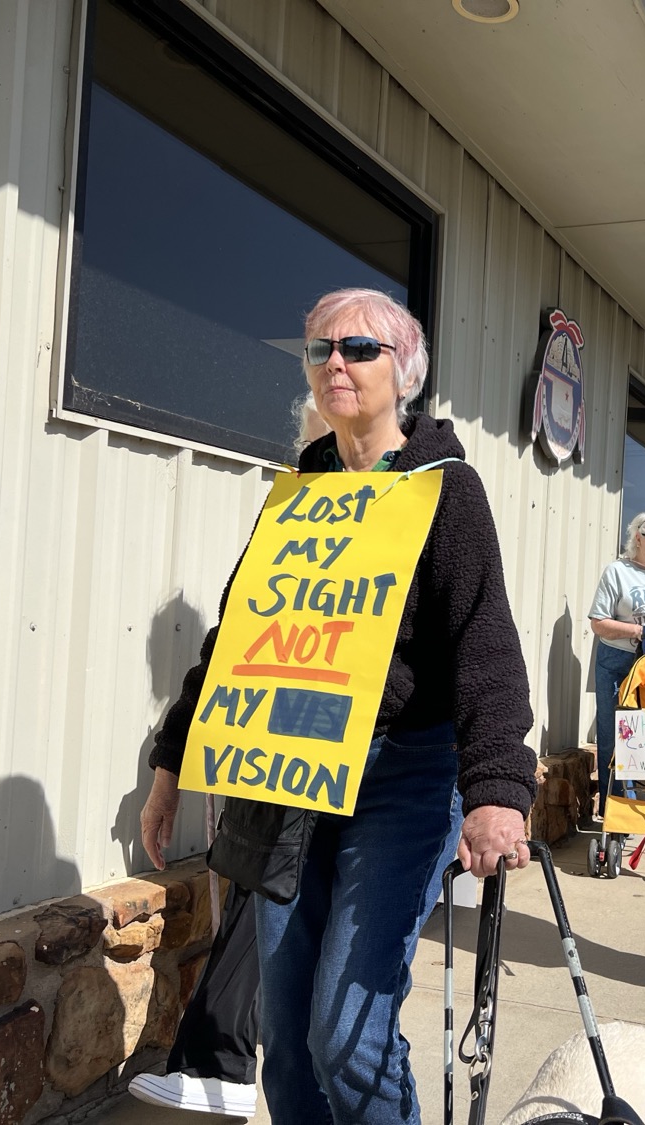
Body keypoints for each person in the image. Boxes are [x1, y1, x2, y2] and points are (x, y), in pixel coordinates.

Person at [139, 288, 536, 1125]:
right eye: (318, 351)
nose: (334, 365)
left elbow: (484, 642)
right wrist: (172, 762)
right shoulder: (298, 493)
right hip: (295, 769)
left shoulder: (445, 490)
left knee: (347, 1035)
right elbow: (239, 635)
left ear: (405, 371)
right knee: (284, 1036)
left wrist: (500, 785)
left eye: (356, 349)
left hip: (404, 776)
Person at [130, 397, 333, 1117]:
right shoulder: (288, 518)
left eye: (332, 449)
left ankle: (221, 1056)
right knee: (258, 884)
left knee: (281, 898)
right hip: (271, 743)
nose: (319, 464)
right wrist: (169, 771)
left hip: (359, 755)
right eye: (311, 452)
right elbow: (230, 643)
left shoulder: (416, 514)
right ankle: (218, 1058)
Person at [588, 512, 645, 819]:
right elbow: (598, 623)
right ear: (638, 537)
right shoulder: (617, 571)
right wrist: (639, 631)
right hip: (618, 662)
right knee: (614, 735)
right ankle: (615, 812)